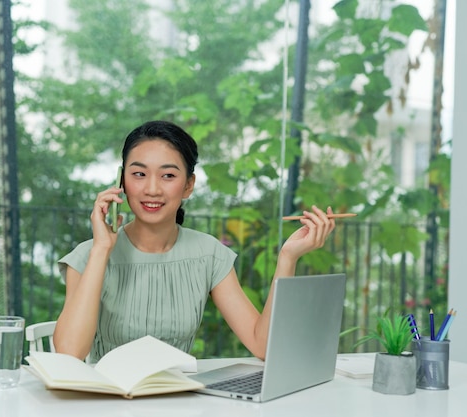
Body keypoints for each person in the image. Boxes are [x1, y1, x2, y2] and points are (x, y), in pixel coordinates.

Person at [53, 120, 336, 362]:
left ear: (188, 185)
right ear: (121, 182)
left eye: (168, 176)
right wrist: (102, 249)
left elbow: (262, 345)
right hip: (107, 403)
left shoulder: (207, 254)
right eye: (138, 174)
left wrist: (288, 257)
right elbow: (68, 355)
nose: (152, 189)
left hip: (181, 402)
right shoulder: (89, 254)